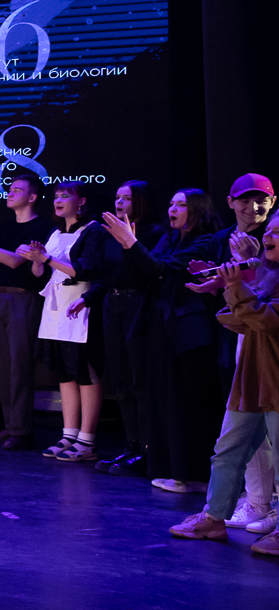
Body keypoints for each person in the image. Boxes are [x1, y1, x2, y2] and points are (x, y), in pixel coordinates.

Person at [167, 227, 279, 556]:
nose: (269, 235)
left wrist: (237, 287)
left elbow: (267, 320)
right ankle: (214, 518)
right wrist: (229, 284)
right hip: (251, 378)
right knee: (227, 450)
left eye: (277, 231)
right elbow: (237, 319)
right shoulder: (266, 275)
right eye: (269, 229)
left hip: (276, 378)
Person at [110, 187, 229, 493]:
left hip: (190, 330)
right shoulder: (170, 237)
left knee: (188, 402)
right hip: (162, 324)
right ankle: (173, 470)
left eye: (181, 205)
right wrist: (129, 245)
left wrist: (130, 241)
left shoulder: (205, 240)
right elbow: (151, 270)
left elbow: (160, 267)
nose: (172, 210)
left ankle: (194, 475)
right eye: (171, 204)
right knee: (163, 398)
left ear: (198, 209)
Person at [22, 182, 112, 461]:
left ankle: (87, 440)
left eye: (65, 196)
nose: (58, 200)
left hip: (80, 307)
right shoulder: (55, 232)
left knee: (85, 373)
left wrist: (47, 259)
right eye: (56, 196)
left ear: (81, 201)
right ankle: (69, 434)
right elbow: (40, 274)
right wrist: (37, 261)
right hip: (55, 309)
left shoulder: (93, 231)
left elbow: (86, 270)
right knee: (64, 372)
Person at [0, 174, 55, 446]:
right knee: (3, 365)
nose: (9, 193)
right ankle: (10, 425)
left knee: (20, 365)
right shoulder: (5, 226)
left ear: (32, 197)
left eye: (17, 190)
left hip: (23, 298)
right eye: (10, 189)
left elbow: (14, 262)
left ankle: (22, 430)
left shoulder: (42, 227)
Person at [93, 181, 163, 473]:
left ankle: (147, 448)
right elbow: (106, 274)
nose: (119, 203)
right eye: (117, 198)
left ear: (141, 202)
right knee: (120, 380)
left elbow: (152, 271)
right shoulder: (109, 233)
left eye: (126, 198)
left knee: (139, 380)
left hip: (138, 304)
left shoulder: (154, 233)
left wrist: (130, 242)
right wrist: (88, 297)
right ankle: (131, 445)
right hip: (113, 304)